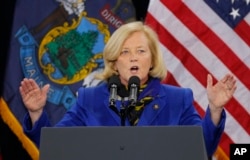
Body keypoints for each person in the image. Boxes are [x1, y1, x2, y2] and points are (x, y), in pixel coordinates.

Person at [19, 21, 237, 157]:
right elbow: (58, 146)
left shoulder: (178, 99)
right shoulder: (90, 99)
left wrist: (215, 110)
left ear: (152, 60)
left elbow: (202, 149)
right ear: (114, 62)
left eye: (141, 51)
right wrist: (37, 114)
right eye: (125, 52)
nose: (133, 57)